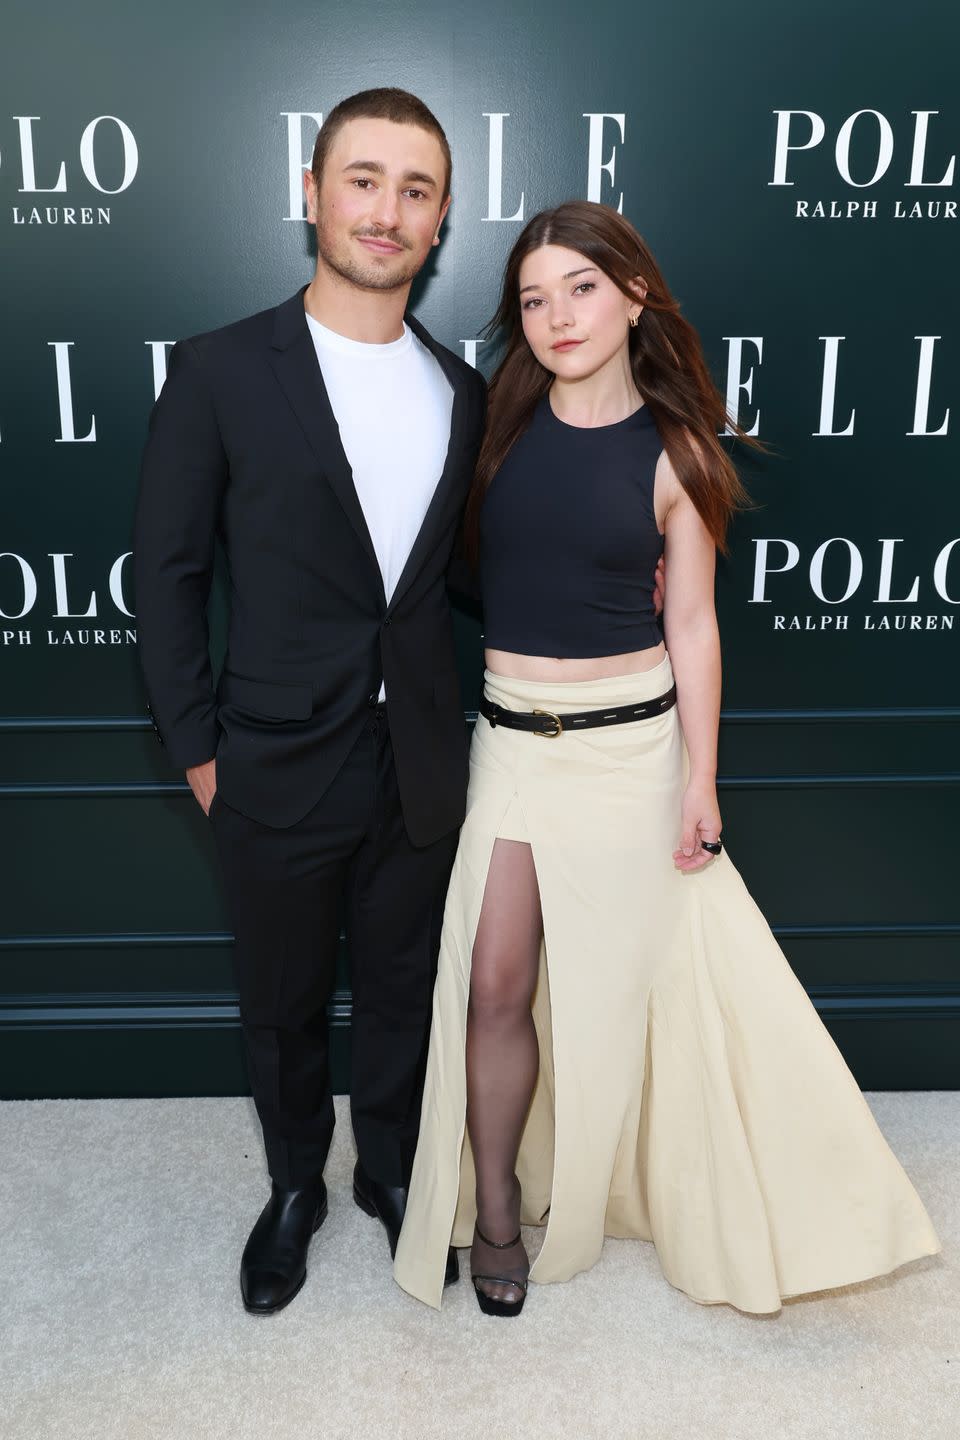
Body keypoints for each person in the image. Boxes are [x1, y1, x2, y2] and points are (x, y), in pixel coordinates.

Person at [393, 200, 941, 1317]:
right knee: (494, 982)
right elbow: (455, 570)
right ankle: (497, 1213)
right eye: (535, 300)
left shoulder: (678, 449)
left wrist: (700, 778)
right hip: (509, 747)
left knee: (642, 986)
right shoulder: (491, 427)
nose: (558, 317)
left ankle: (657, 1180)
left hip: (630, 753)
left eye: (581, 288)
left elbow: (691, 623)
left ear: (634, 294)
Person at [133, 88, 488, 1315]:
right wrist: (198, 753)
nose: (386, 212)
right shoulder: (223, 370)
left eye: (416, 189)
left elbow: (466, 575)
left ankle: (391, 1170)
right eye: (364, 179)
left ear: (440, 222)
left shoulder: (462, 389)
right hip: (272, 759)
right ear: (313, 194)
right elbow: (169, 578)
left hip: (423, 762)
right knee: (282, 1007)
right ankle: (296, 1187)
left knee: (403, 989)